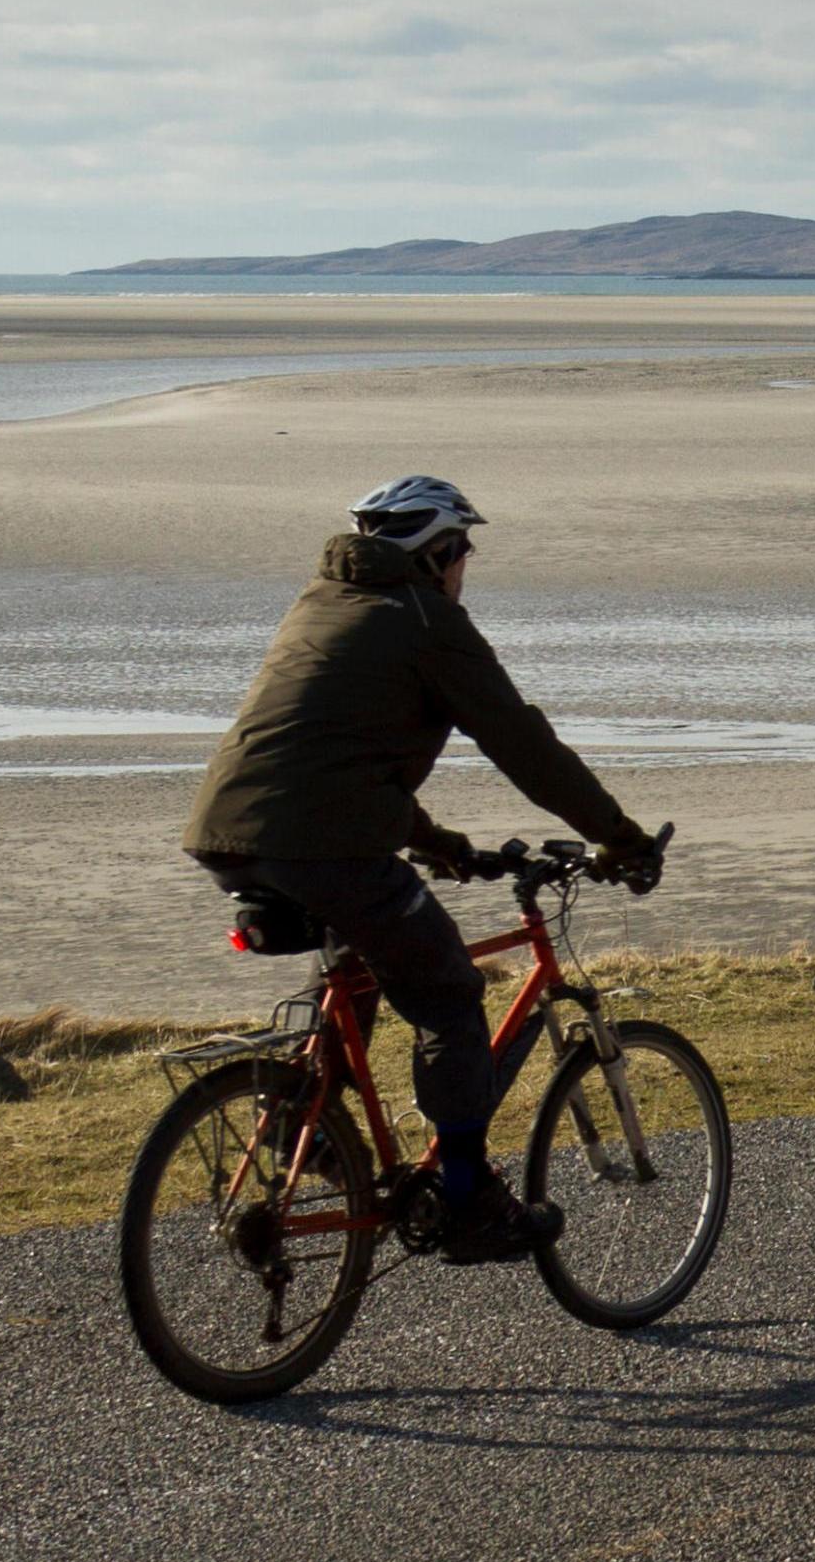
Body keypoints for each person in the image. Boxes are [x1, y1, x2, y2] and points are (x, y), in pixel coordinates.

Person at [183, 475, 662, 1260]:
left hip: (227, 830)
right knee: (447, 993)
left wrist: (439, 844)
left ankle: (308, 1124)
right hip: (324, 841)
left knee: (358, 966)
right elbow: (525, 747)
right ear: (436, 551)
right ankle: (471, 1202)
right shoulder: (426, 619)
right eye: (463, 549)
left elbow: (332, 759)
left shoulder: (321, 604)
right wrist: (621, 836)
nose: (467, 564)